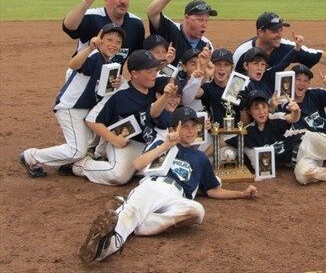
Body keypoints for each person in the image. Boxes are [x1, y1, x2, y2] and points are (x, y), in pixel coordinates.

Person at [79, 106, 258, 263]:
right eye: (184, 126)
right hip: (154, 185)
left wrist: (242, 193)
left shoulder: (201, 158)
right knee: (131, 213)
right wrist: (165, 146)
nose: (190, 131)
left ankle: (137, 221)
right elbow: (138, 165)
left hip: (177, 196)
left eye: (193, 126)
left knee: (197, 212)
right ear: (173, 129)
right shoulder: (162, 144)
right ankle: (104, 248)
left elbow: (213, 190)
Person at [20, 23, 125, 178]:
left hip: (83, 110)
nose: (114, 45)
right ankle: (31, 157)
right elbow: (74, 64)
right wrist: (90, 48)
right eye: (109, 40)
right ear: (100, 40)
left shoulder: (108, 62)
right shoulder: (94, 55)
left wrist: (117, 83)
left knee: (81, 146)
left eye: (118, 42)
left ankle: (67, 162)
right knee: (77, 150)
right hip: (71, 107)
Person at [70, 50, 163, 185]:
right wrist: (113, 139)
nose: (155, 75)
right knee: (119, 175)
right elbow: (92, 120)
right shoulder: (120, 94)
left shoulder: (157, 87)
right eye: (150, 71)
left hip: (150, 142)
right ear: (135, 74)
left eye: (155, 70)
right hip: (126, 143)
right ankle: (81, 165)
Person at [233, 12, 326, 74]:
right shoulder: (243, 51)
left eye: (281, 30)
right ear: (260, 33)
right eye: (274, 31)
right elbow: (229, 80)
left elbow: (319, 56)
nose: (279, 35)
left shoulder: (287, 47)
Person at [62, 0, 144, 63]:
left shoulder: (136, 24)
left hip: (112, 76)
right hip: (84, 75)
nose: (123, 1)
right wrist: (86, 2)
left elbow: (139, 59)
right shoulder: (92, 17)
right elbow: (68, 27)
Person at [146, 0, 216, 64]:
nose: (204, 24)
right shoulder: (171, 29)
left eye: (206, 20)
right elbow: (151, 13)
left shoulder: (206, 45)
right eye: (200, 20)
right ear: (186, 18)